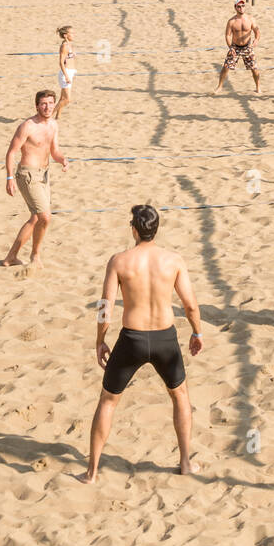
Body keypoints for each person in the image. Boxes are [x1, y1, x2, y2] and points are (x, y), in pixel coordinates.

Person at [82, 204, 203, 482]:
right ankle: (185, 462)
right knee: (180, 396)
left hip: (131, 339)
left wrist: (100, 340)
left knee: (108, 401)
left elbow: (105, 307)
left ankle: (92, 472)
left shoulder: (119, 261)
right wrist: (196, 333)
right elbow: (191, 305)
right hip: (164, 338)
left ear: (134, 229)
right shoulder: (173, 260)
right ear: (156, 229)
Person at [2, 89, 68, 268]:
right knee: (45, 217)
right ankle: (35, 255)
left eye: (50, 103)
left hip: (44, 174)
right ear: (37, 106)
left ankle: (11, 257)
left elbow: (54, 151)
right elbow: (11, 153)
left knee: (36, 218)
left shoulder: (53, 125)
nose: (47, 107)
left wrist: (62, 160)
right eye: (43, 104)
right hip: (27, 175)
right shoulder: (28, 126)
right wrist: (9, 178)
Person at [214, 0, 261, 95]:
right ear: (235, 8)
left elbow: (257, 31)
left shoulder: (250, 19)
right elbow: (227, 35)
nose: (241, 8)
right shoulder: (231, 21)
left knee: (254, 68)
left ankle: (258, 87)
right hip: (235, 47)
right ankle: (219, 87)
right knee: (226, 67)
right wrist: (230, 47)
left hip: (247, 46)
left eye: (243, 6)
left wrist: (256, 40)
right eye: (239, 6)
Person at [53, 24, 77, 120]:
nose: (74, 35)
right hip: (65, 73)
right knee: (67, 99)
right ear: (66, 35)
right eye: (72, 33)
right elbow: (61, 62)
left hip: (69, 73)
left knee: (62, 98)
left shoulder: (69, 44)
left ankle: (57, 116)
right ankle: (48, 116)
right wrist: (66, 76)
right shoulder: (64, 46)